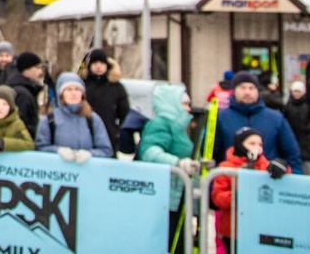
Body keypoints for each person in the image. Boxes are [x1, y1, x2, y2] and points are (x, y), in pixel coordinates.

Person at [137, 82, 198, 254]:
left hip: (177, 195)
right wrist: (178, 163)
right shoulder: (161, 124)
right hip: (164, 196)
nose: (188, 109)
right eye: (184, 104)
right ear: (171, 104)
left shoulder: (178, 128)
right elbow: (150, 152)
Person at [210, 127, 290, 250]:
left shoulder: (265, 166)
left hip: (261, 227)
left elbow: (283, 180)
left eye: (260, 144)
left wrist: (283, 168)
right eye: (251, 143)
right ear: (240, 145)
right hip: (233, 230)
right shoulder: (226, 168)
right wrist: (237, 195)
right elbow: (218, 198)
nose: (257, 147)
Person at [212, 71, 303, 174]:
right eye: (242, 87)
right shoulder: (221, 117)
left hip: (269, 181)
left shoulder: (276, 118)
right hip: (231, 182)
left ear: (257, 91)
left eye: (251, 88)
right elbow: (211, 154)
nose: (247, 92)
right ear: (234, 90)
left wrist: (293, 178)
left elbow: (292, 153)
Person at [35, 72, 114, 162]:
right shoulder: (49, 120)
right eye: (69, 89)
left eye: (77, 89)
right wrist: (58, 151)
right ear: (61, 94)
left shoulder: (92, 119)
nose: (74, 93)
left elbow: (106, 151)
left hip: (87, 173)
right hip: (59, 173)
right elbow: (40, 147)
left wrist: (90, 154)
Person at [82, 47, 129, 154]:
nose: (98, 66)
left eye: (102, 63)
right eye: (95, 63)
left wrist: (116, 132)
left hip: (109, 137)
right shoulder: (82, 85)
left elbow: (125, 114)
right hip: (84, 135)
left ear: (107, 66)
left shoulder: (116, 87)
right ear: (89, 66)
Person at [7, 51, 46, 138]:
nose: (41, 72)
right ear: (26, 70)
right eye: (38, 68)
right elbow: (21, 125)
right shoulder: (22, 93)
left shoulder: (28, 90)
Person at [282, 80, 310, 167]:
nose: (296, 94)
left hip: (305, 138)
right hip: (292, 134)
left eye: (298, 91)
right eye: (295, 91)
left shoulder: (308, 104)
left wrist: (308, 128)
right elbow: (284, 117)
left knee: (305, 163)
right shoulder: (289, 104)